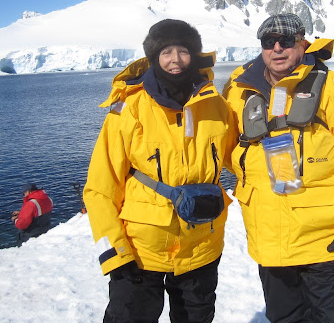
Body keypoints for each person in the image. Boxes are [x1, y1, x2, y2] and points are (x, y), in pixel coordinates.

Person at [222, 13, 334, 323]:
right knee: (285, 317)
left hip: (322, 238)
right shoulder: (238, 90)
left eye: (286, 41)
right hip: (268, 235)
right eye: (269, 42)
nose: (277, 48)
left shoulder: (333, 90)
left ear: (303, 43)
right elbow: (222, 148)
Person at [83, 19, 237, 323]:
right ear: (154, 57)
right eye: (167, 52)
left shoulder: (216, 106)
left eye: (183, 51)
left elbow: (243, 159)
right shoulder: (128, 109)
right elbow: (100, 187)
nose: (175, 60)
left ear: (194, 55)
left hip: (201, 245)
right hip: (141, 249)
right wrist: (114, 252)